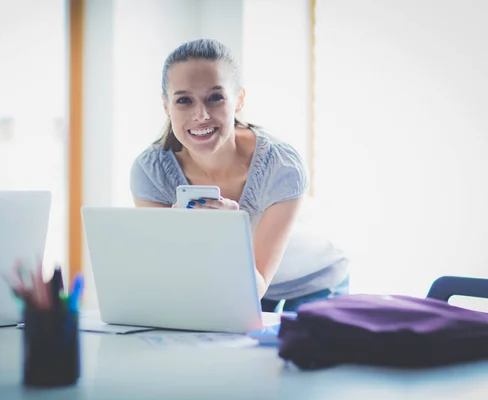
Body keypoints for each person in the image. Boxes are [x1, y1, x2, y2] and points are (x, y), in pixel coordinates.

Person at [130, 38, 348, 312]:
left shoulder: (281, 166)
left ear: (239, 101)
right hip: (236, 285)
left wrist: (229, 234)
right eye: (184, 100)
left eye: (215, 98)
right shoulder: (150, 172)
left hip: (312, 281)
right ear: (166, 106)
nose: (201, 115)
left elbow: (252, 290)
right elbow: (174, 278)